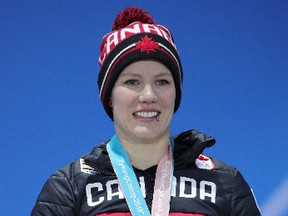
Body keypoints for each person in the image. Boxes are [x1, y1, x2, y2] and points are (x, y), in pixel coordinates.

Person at [31, 6, 261, 216]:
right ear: (109, 96)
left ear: (175, 94)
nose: (149, 96)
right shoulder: (69, 188)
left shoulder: (225, 183)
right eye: (132, 82)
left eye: (161, 82)